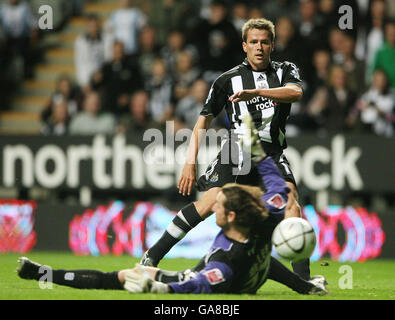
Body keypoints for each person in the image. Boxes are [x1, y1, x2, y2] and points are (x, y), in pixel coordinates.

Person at [16, 120, 327, 295]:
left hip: (191, 278)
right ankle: (45, 274)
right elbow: (274, 184)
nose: (212, 206)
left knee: (120, 277)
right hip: (247, 275)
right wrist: (302, 286)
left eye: (219, 206)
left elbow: (200, 284)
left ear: (231, 216)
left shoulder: (225, 261)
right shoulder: (260, 227)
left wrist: (161, 288)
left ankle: (46, 274)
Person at [141, 18, 311, 281]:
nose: (259, 47)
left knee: (291, 204)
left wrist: (257, 93)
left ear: (272, 45)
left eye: (265, 42)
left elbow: (295, 93)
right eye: (253, 42)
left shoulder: (286, 70)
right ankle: (151, 256)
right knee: (211, 201)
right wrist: (190, 161)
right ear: (244, 46)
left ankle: (305, 280)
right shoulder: (226, 80)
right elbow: (203, 121)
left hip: (271, 152)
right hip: (238, 151)